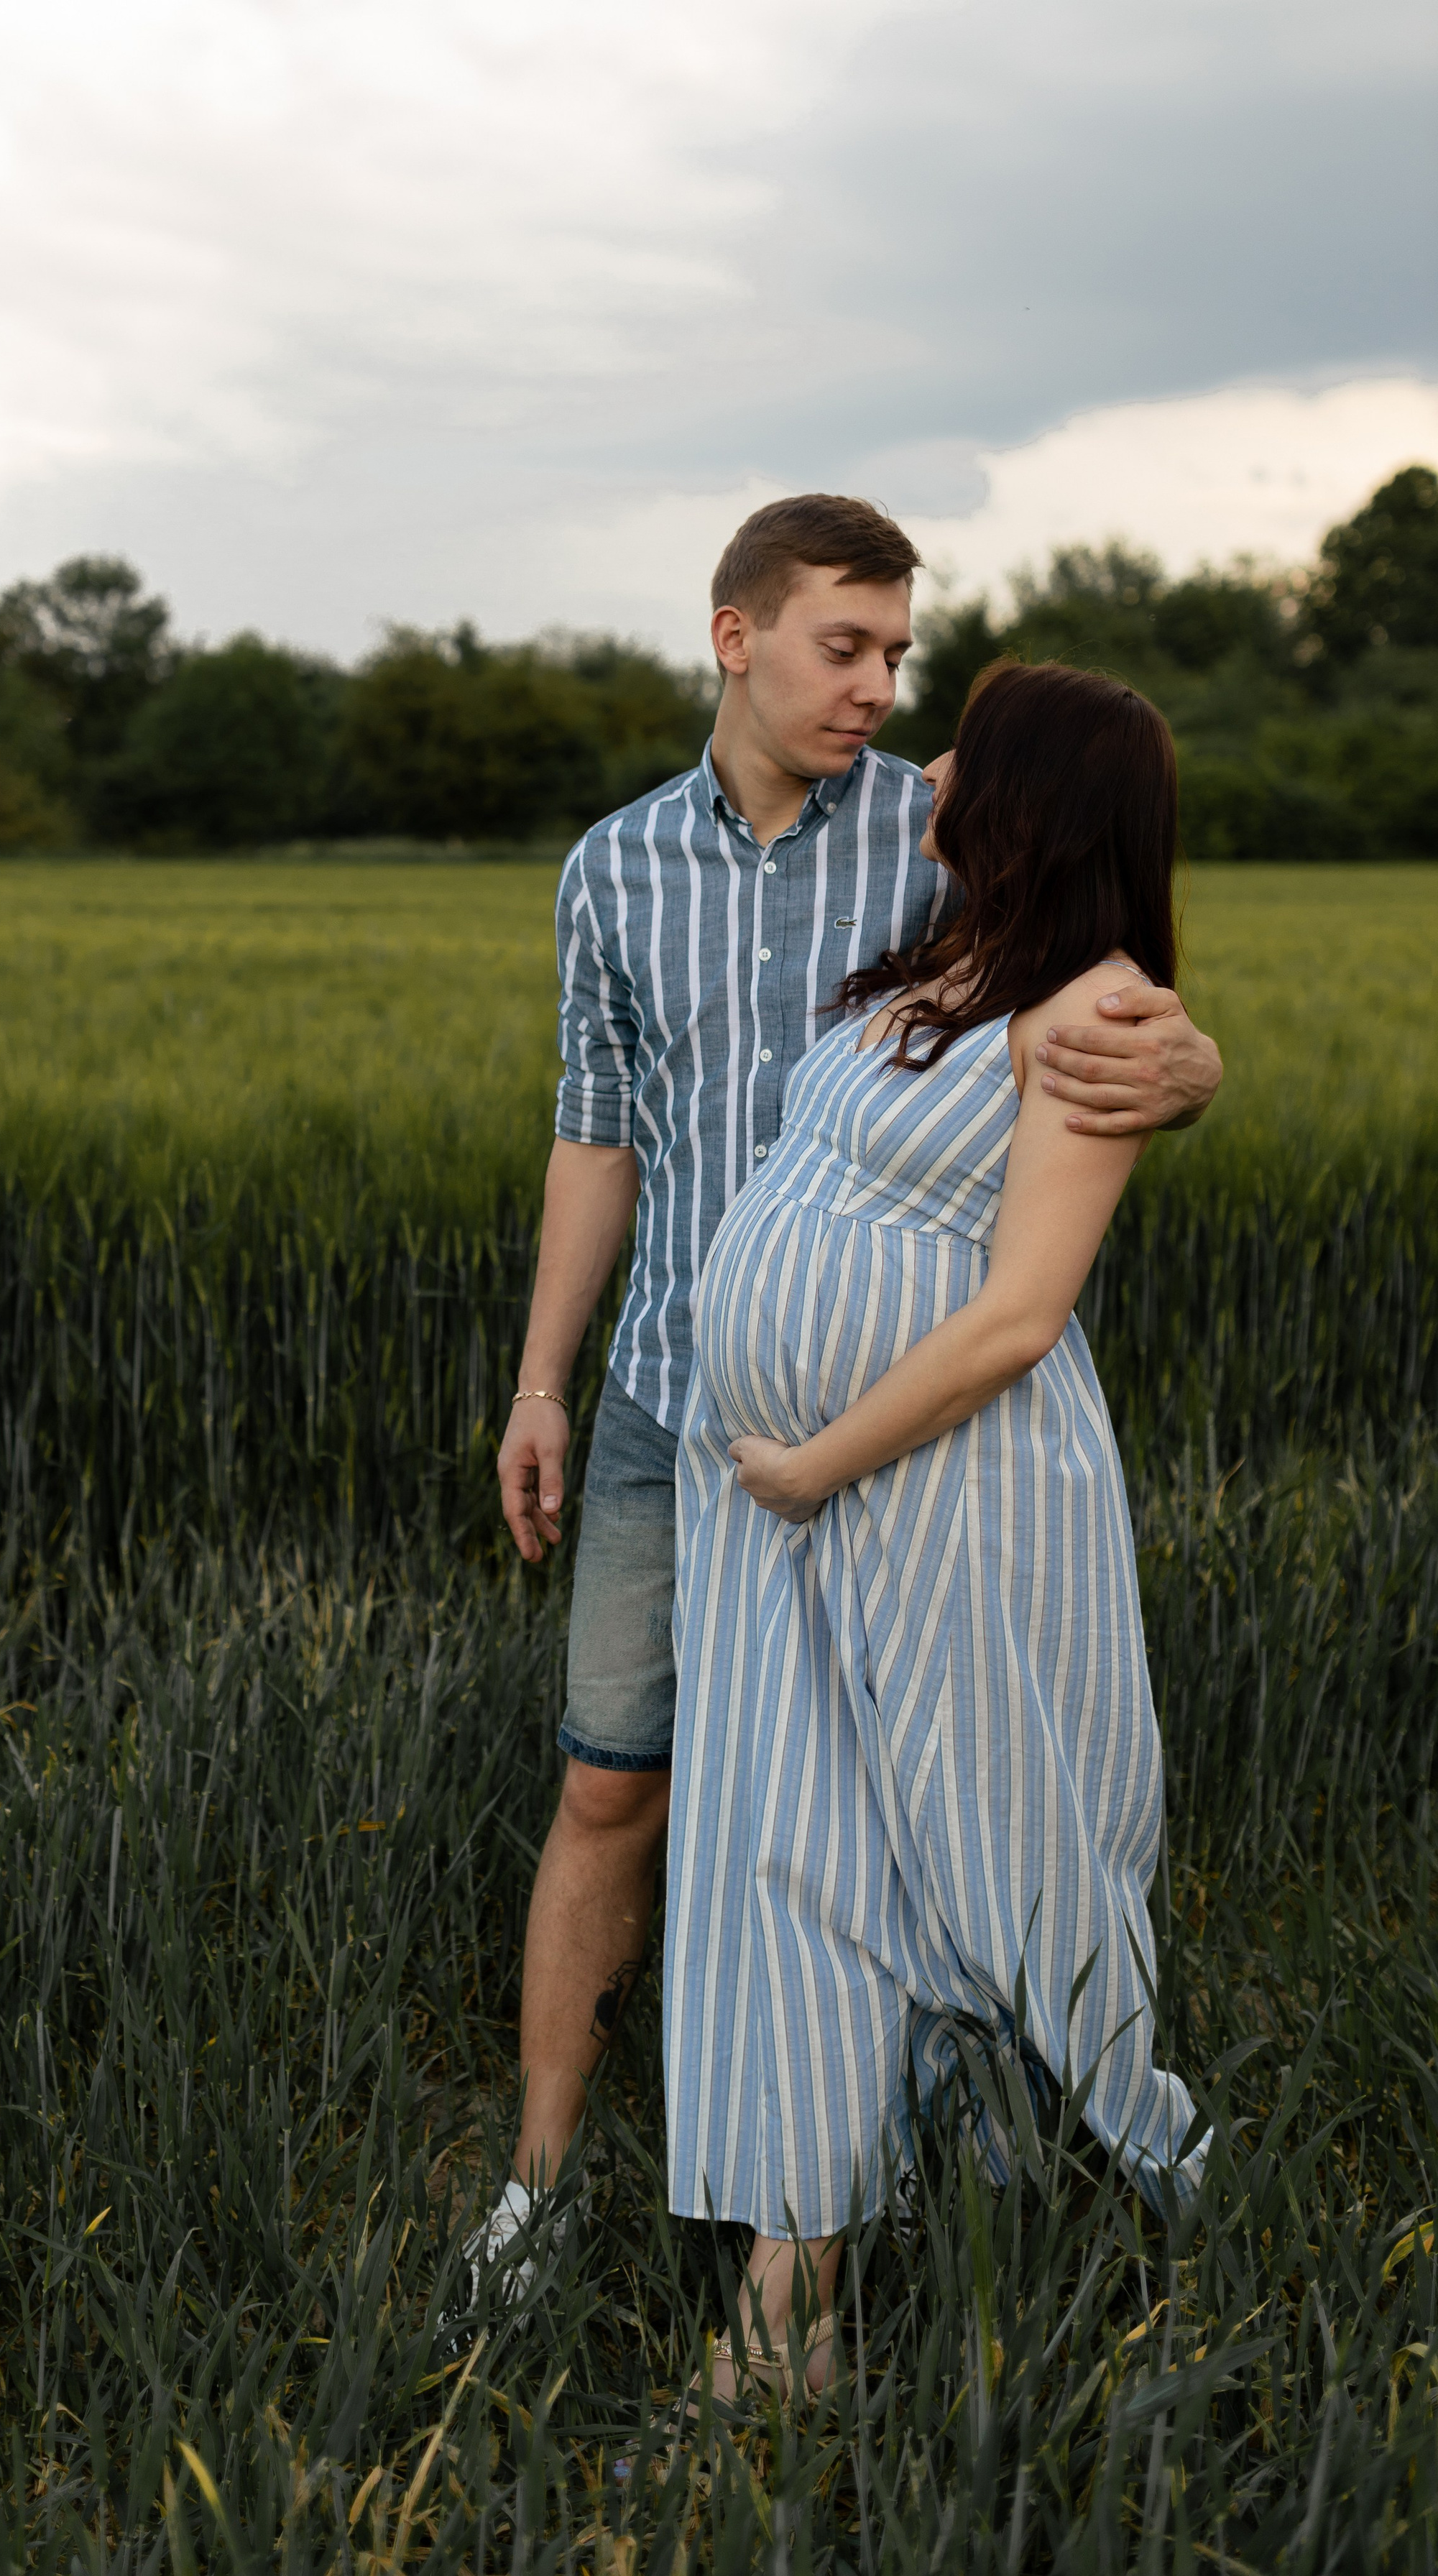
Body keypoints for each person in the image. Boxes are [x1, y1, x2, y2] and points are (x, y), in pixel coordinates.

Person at [477, 494, 1223, 2291]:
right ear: (734, 636)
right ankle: (542, 2181)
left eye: (900, 651)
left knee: (846, 1819)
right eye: (846, 647)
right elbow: (598, 1136)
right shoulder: (612, 868)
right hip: (675, 1405)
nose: (882, 687)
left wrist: (1186, 1064)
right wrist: (539, 1383)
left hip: (890, 1451)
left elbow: (1100, 1003)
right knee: (612, 1791)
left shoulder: (943, 834)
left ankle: (906, 2191)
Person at [665, 660, 1207, 2405]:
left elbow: (1016, 1318)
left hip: (934, 1493)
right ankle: (791, 2311)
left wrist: (818, 1461)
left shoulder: (1098, 1013)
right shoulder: (941, 948)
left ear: (1032, 790)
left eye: (966, 735)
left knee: (985, 1848)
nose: (930, 752)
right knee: (791, 1852)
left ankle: (1170, 2192)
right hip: (774, 1497)